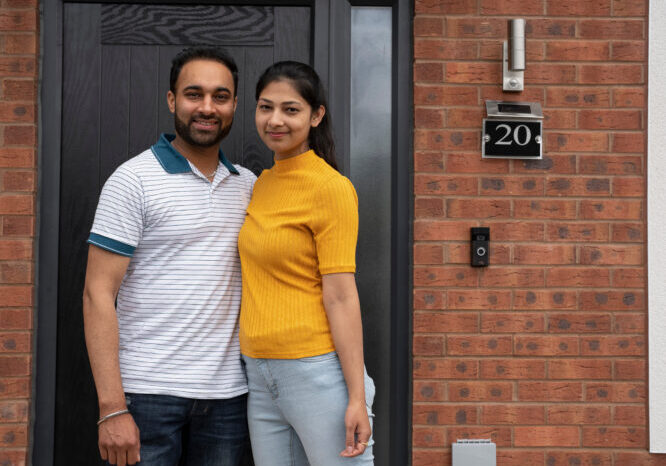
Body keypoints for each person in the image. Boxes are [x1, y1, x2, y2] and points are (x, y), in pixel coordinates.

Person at [82, 47, 256, 466]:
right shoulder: (133, 180)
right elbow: (97, 294)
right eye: (194, 94)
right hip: (146, 396)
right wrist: (111, 407)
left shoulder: (249, 185)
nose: (207, 107)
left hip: (228, 398)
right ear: (172, 100)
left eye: (221, 96)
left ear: (234, 104)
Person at [238, 61, 375, 465]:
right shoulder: (261, 184)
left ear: (316, 116)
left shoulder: (330, 188)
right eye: (266, 107)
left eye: (290, 109)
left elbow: (341, 296)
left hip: (315, 371)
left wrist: (355, 397)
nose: (275, 120)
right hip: (259, 373)